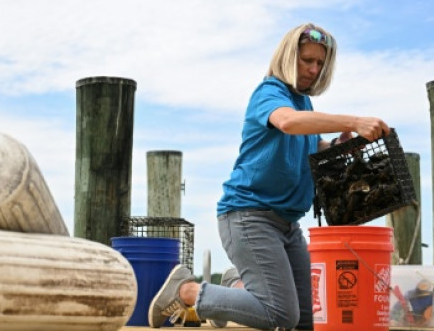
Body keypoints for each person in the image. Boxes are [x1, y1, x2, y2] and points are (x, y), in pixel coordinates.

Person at [148, 22, 390, 329]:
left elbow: (311, 145)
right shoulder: (269, 92)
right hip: (249, 217)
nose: (314, 69)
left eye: (320, 63)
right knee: (280, 315)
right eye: (307, 60)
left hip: (287, 224)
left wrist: (339, 146)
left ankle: (237, 286)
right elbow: (288, 122)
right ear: (288, 57)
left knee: (308, 320)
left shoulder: (303, 102)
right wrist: (354, 121)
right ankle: (187, 290)